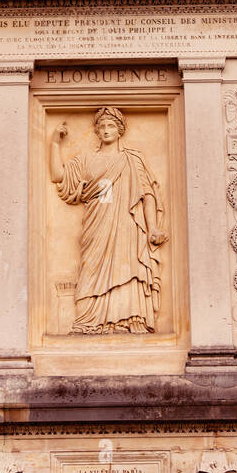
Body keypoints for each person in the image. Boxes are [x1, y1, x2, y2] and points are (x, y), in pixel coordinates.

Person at [50, 106, 168, 334]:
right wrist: (54, 143)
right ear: (96, 131)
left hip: (127, 224)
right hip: (97, 225)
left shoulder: (132, 159)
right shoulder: (86, 159)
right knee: (91, 270)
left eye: (111, 126)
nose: (106, 130)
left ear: (120, 130)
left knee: (128, 267)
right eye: (101, 126)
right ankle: (91, 320)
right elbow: (58, 176)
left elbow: (147, 195)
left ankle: (129, 317)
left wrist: (152, 227)